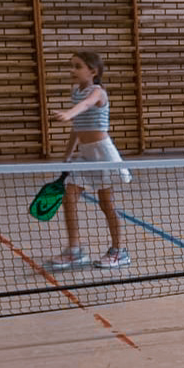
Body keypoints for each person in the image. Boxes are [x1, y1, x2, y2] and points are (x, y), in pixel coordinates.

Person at [47, 51, 132, 271]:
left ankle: (118, 251)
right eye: (71, 65)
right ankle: (75, 250)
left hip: (103, 154)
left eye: (77, 66)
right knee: (68, 196)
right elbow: (78, 127)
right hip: (85, 154)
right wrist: (68, 154)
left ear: (93, 71)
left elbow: (85, 105)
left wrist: (68, 113)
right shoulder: (75, 92)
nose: (72, 70)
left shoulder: (97, 92)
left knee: (106, 203)